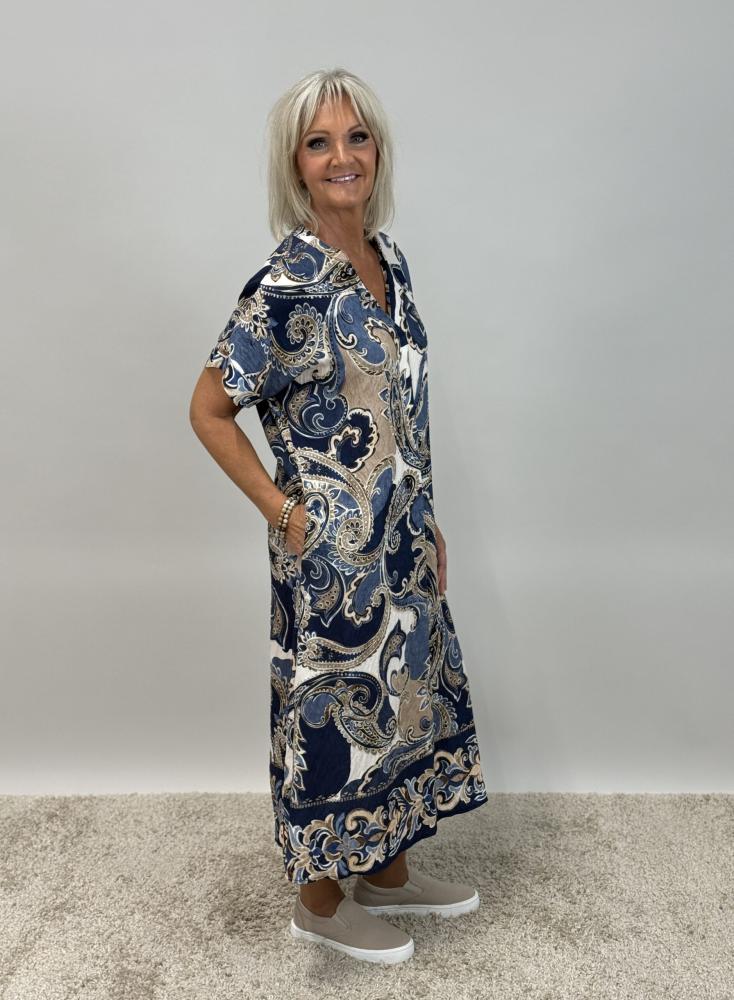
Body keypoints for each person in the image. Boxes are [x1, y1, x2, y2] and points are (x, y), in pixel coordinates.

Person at [189, 68, 489, 964]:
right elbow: (208, 409)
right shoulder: (287, 285)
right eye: (319, 143)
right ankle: (319, 903)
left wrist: (426, 515)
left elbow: (401, 410)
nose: (341, 157)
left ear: (377, 151)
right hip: (330, 559)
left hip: (400, 539)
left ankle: (386, 874)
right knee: (332, 717)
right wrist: (283, 511)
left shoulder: (389, 262)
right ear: (296, 164)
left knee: (400, 705)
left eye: (356, 137)